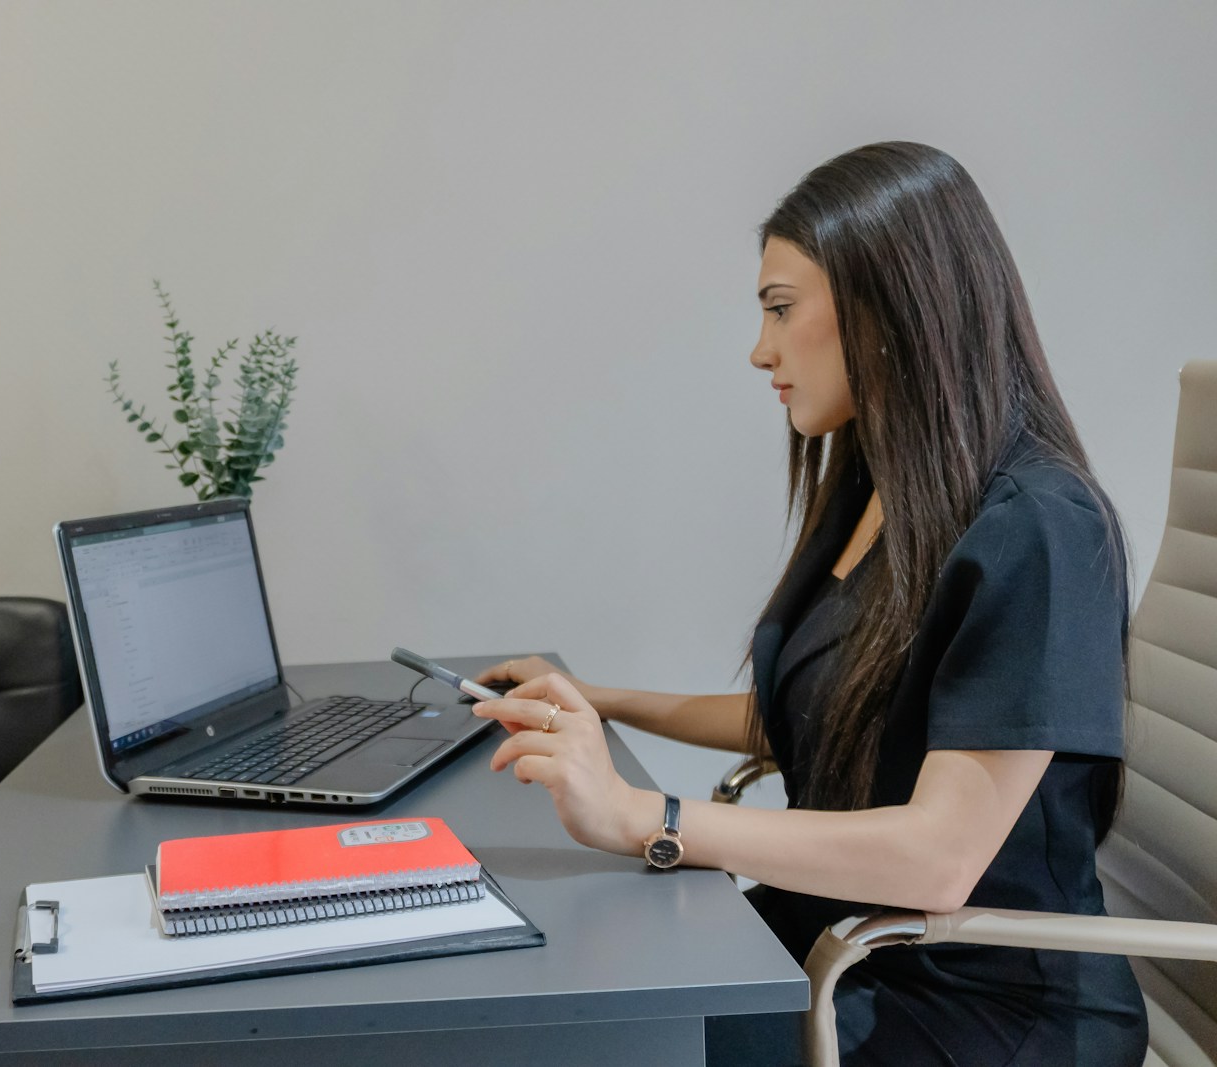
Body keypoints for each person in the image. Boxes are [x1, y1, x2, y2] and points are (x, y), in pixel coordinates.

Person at [470, 142, 1149, 1066]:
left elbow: (940, 859)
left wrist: (647, 817)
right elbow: (834, 714)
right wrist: (601, 698)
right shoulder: (880, 486)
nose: (761, 351)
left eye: (782, 311)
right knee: (564, 1000)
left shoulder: (1040, 528)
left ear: (886, 307)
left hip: (972, 1001)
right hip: (842, 944)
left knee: (593, 1036)